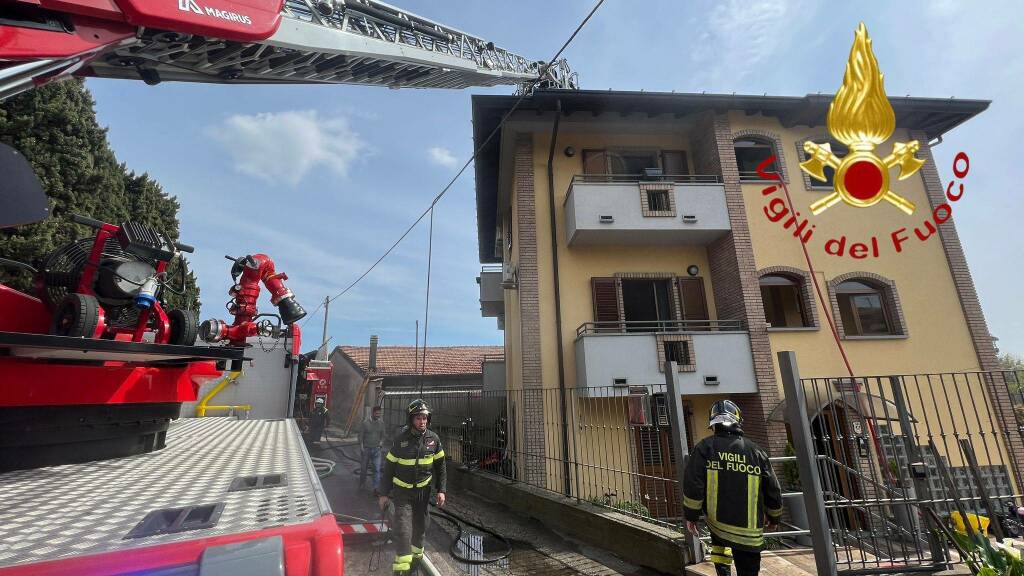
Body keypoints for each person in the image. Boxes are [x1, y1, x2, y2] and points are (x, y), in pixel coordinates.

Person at [682, 400, 783, 576]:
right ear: (737, 421)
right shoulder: (756, 452)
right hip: (749, 531)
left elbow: (693, 484)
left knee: (721, 554)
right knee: (749, 570)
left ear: (714, 424)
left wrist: (691, 516)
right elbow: (773, 489)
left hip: (718, 524)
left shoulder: (704, 448)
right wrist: (774, 517)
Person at [377, 399, 447, 576]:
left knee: (422, 525)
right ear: (411, 420)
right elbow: (389, 468)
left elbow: (441, 467)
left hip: (424, 493)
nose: (422, 421)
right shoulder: (400, 441)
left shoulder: (434, 440)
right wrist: (383, 494)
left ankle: (416, 559)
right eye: (418, 418)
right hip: (403, 493)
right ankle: (401, 568)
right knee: (403, 528)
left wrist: (441, 491)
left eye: (424, 418)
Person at [356, 406, 387, 491]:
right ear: (372, 413)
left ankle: (376, 488)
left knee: (377, 469)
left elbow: (383, 436)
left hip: (377, 450)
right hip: (366, 449)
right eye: (377, 413)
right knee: (363, 469)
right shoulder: (365, 423)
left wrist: (381, 443)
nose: (378, 415)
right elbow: (360, 436)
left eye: (379, 414)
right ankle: (362, 483)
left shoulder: (381, 423)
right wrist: (361, 446)